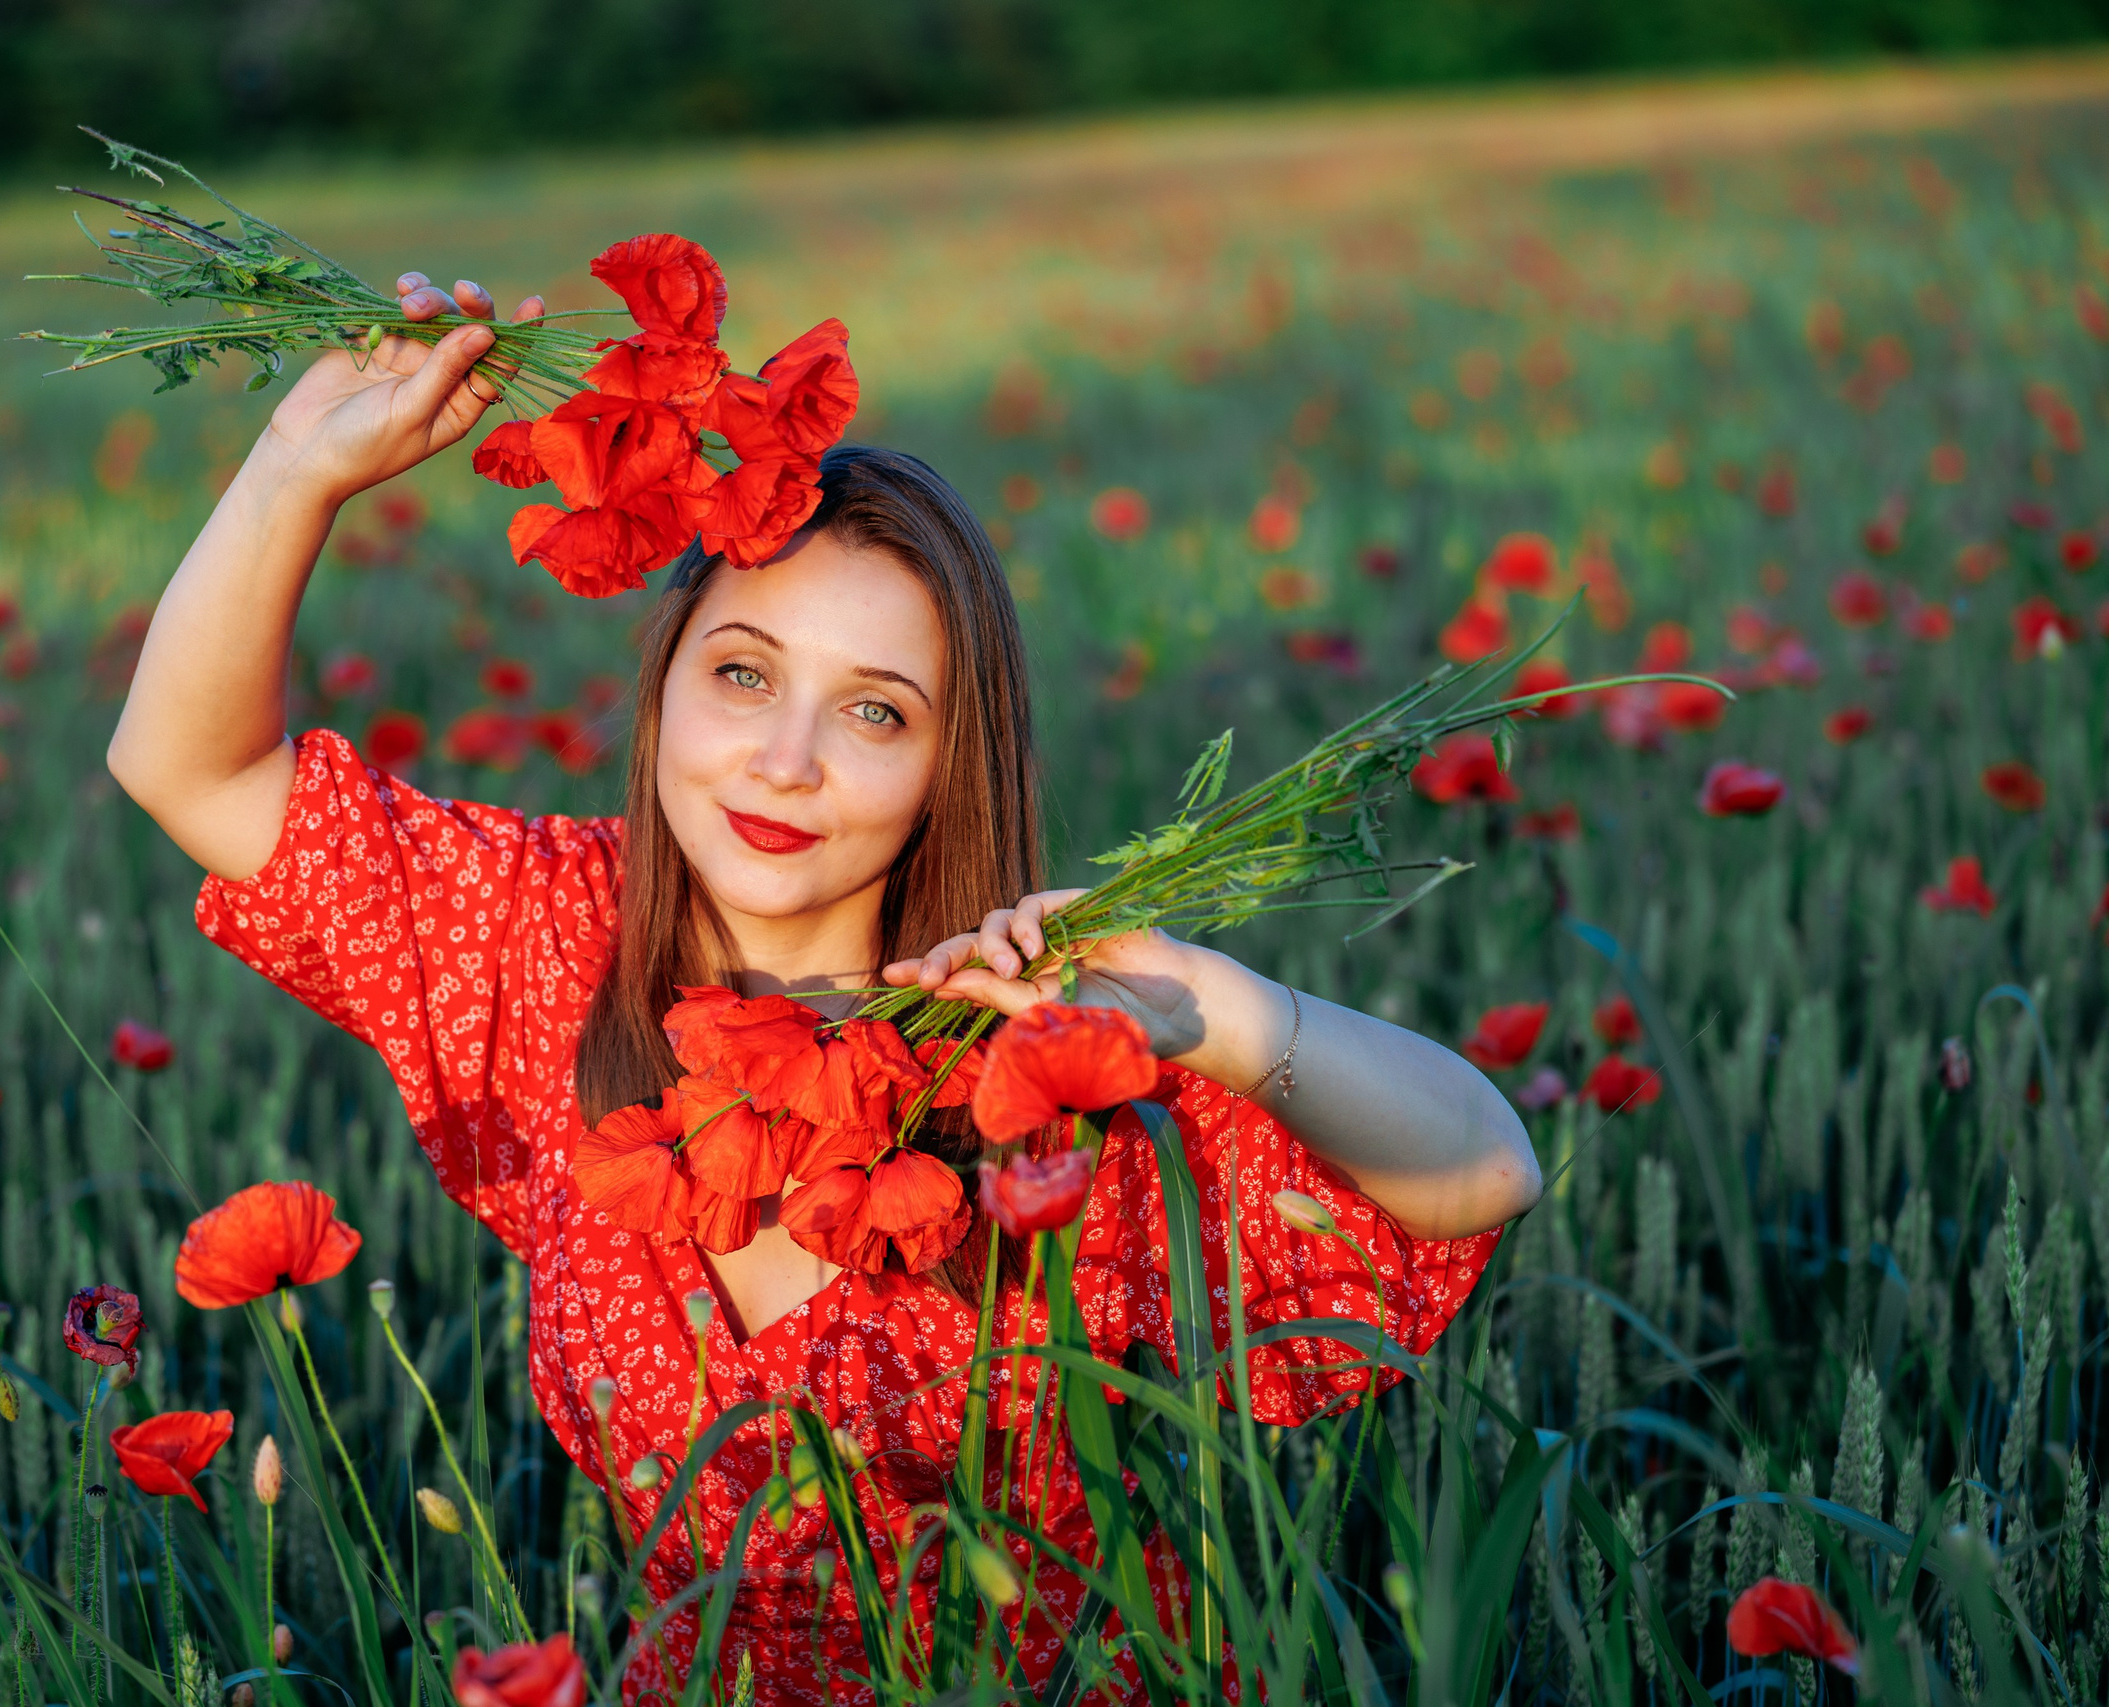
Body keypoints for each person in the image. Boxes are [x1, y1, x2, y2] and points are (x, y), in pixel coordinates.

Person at [109, 274, 1544, 1703]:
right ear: (665, 679)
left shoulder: (1029, 1044)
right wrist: (303, 471)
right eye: (742, 675)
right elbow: (190, 768)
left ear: (947, 766)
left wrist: (1218, 1012)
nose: (786, 761)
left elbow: (1485, 1170)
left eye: (874, 711)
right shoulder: (547, 943)